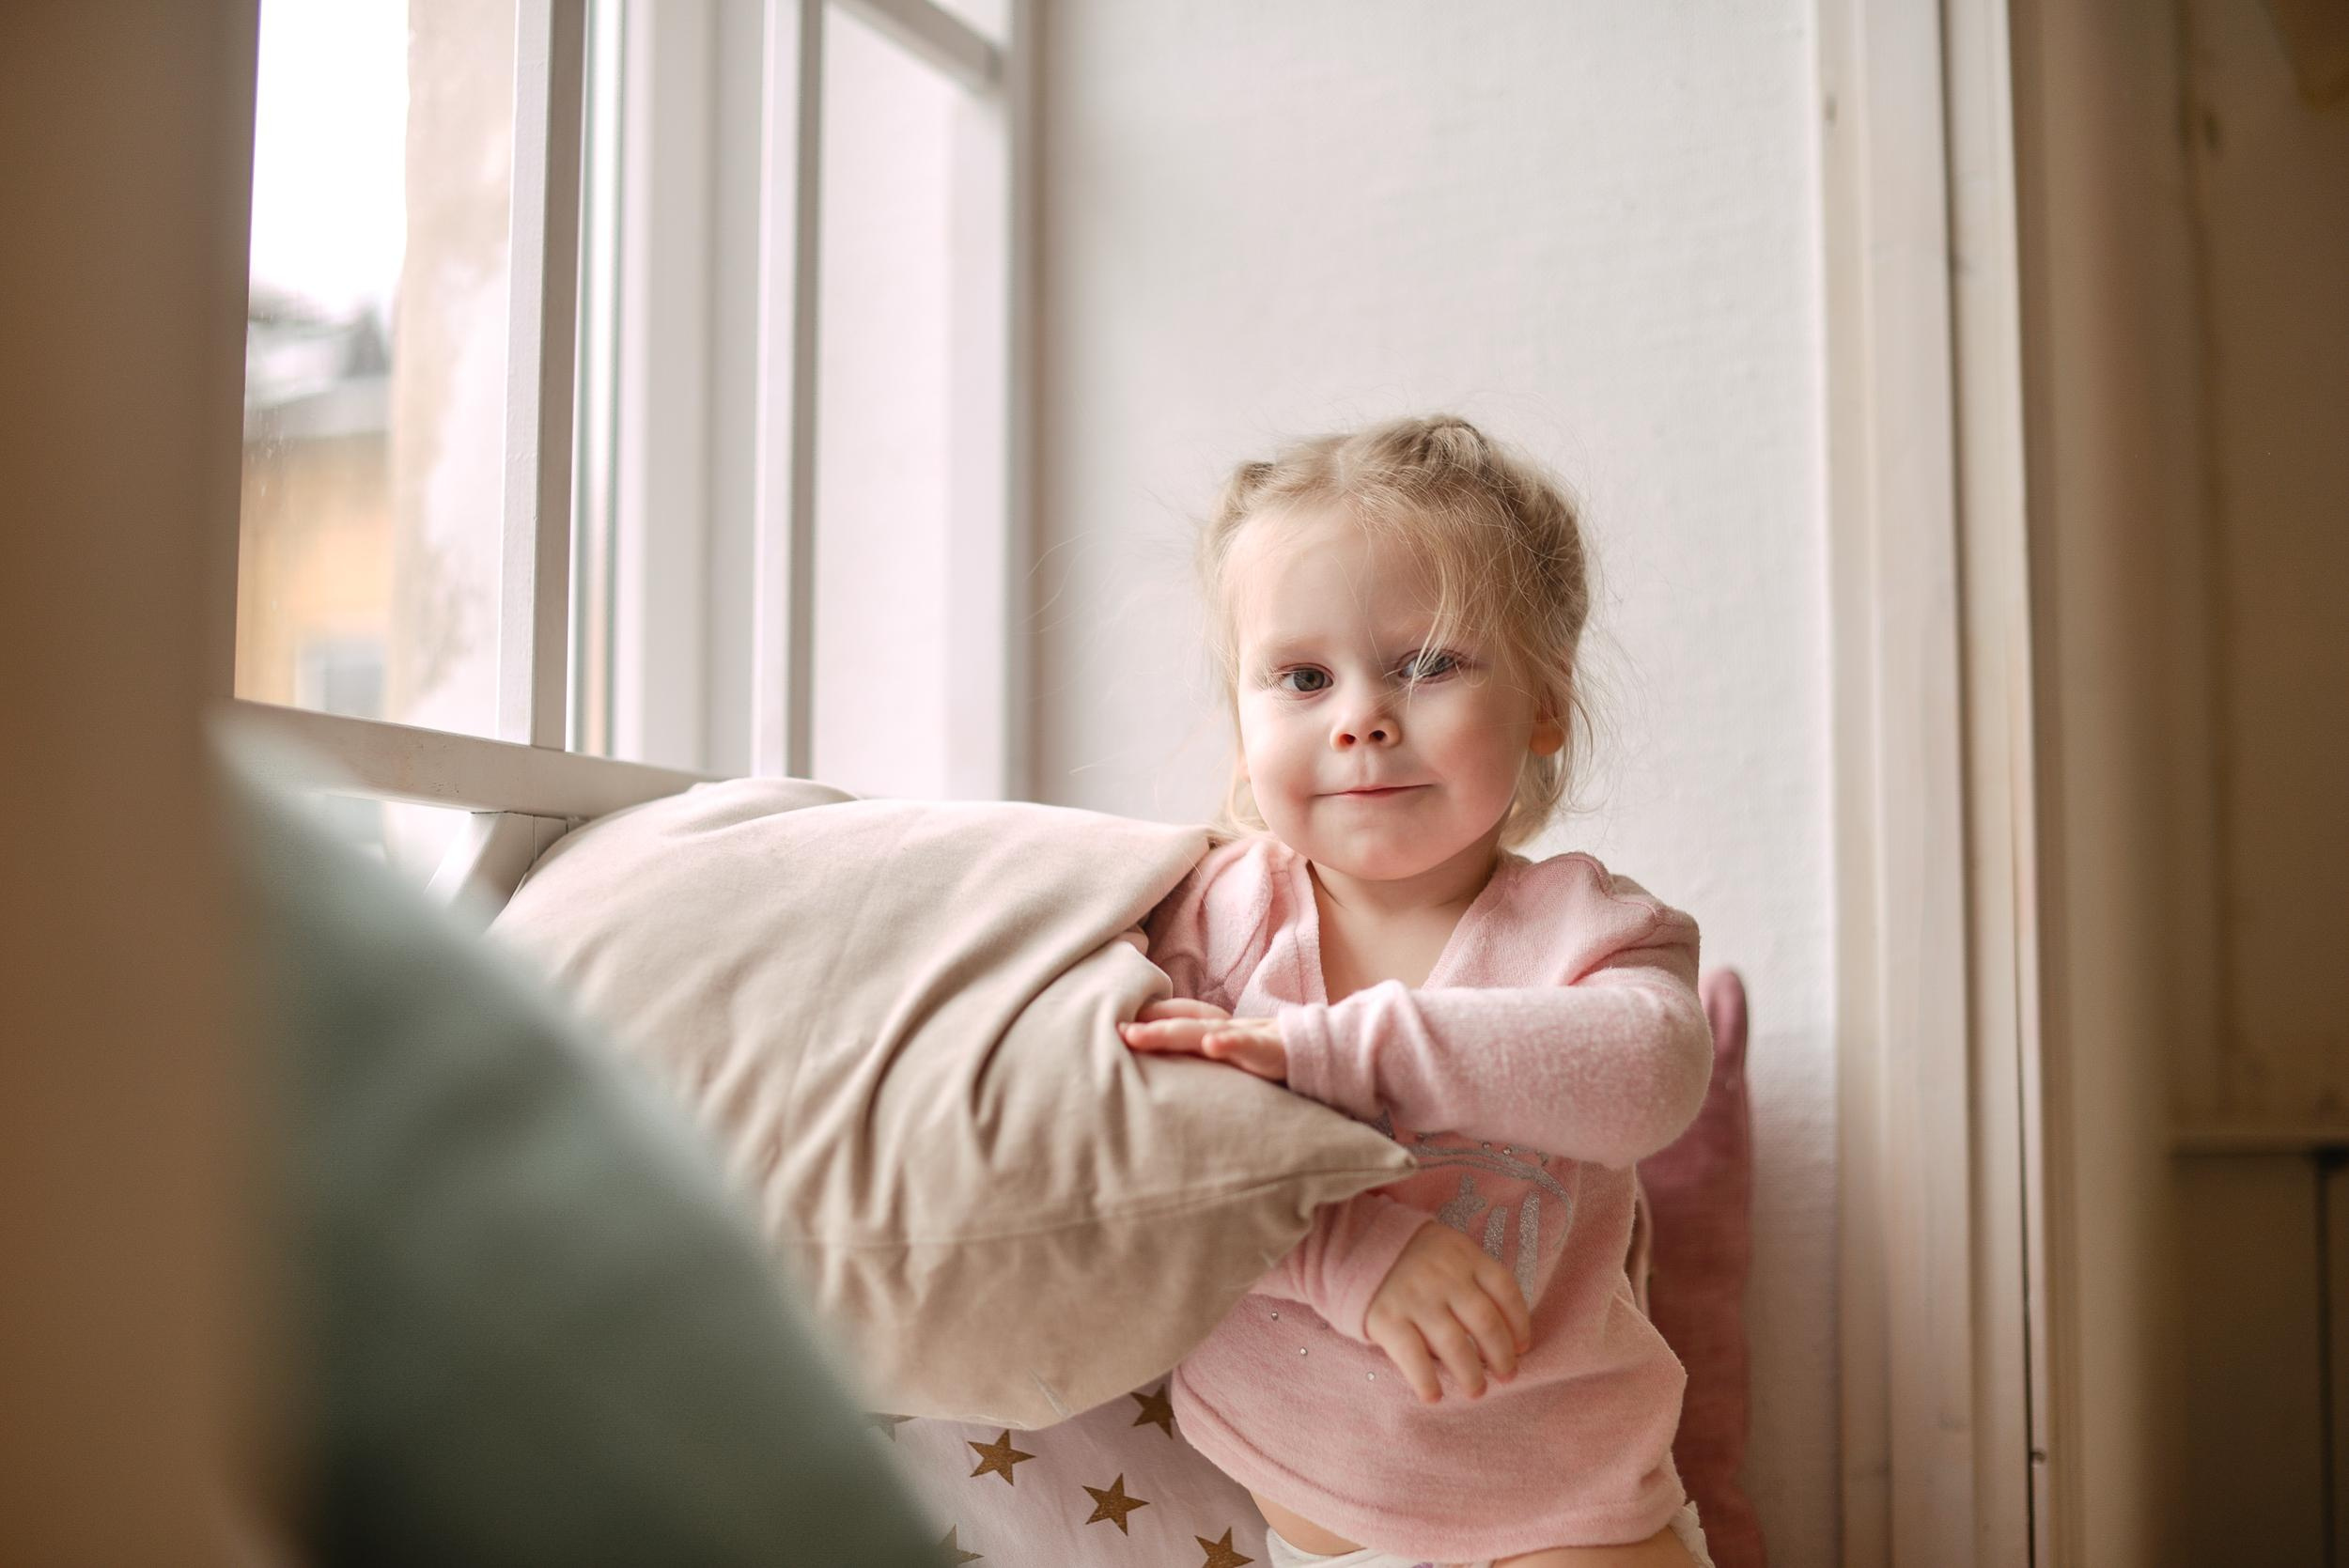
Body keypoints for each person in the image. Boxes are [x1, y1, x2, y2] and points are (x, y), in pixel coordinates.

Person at [1119, 415, 1718, 1568]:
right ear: (1243, 732)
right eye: (1301, 677)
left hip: (1569, 1505)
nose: (1361, 715)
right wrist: (1347, 1250)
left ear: (1545, 700)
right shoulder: (1205, 916)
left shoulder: (1590, 931)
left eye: (1428, 663)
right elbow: (1143, 1142)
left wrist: (1324, 1054)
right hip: (1298, 1509)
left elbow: (1648, 1074)